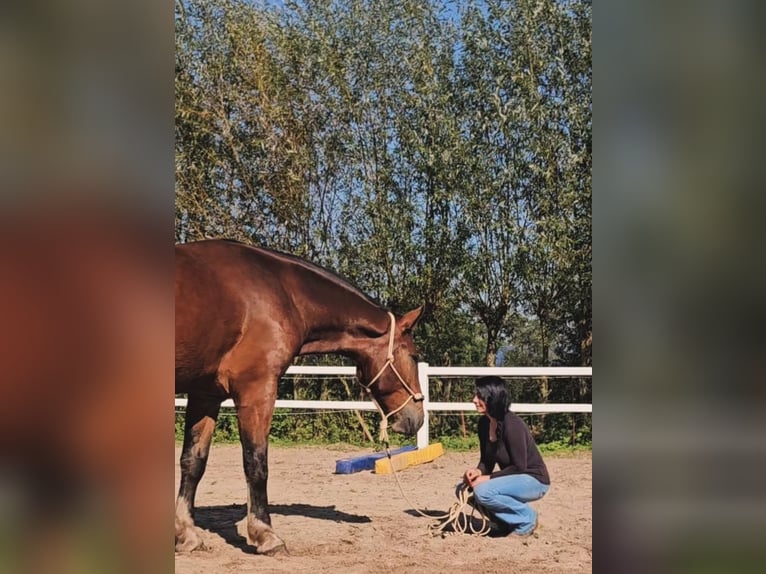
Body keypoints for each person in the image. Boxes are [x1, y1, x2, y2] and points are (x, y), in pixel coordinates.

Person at [460, 376, 551, 536]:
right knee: (464, 488)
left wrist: (487, 479)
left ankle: (527, 519)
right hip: (514, 477)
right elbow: (486, 461)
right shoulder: (483, 424)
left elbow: (519, 467)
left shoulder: (512, 424)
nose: (474, 400)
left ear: (492, 397)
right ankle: (505, 523)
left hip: (534, 480)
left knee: (482, 492)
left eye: (479, 396)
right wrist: (477, 472)